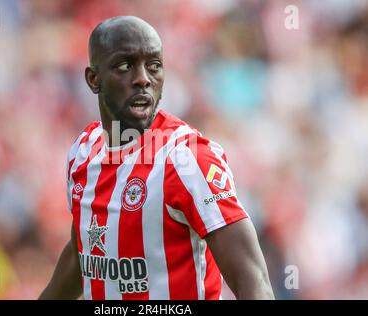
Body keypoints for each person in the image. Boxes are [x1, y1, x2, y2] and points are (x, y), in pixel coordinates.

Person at [39, 15, 274, 300]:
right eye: (125, 66)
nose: (142, 79)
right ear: (93, 79)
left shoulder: (187, 159)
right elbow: (82, 257)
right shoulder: (83, 154)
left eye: (154, 66)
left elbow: (252, 277)